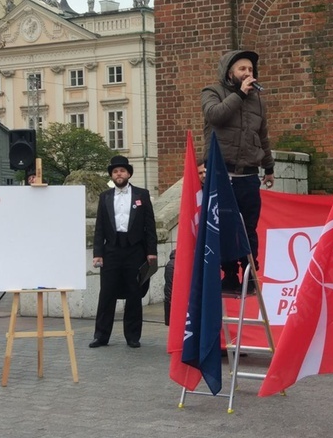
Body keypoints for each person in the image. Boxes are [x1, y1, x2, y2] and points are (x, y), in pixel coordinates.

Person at [202, 49, 274, 294]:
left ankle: (250, 273)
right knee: (224, 227)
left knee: (249, 228)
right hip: (222, 175)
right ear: (229, 72)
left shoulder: (258, 101)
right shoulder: (212, 92)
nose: (247, 73)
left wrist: (269, 167)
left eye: (250, 70)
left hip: (249, 175)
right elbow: (215, 116)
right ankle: (229, 274)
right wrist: (240, 95)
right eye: (242, 69)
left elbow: (262, 136)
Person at [90, 156, 157, 349]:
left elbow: (150, 225)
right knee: (107, 293)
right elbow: (99, 227)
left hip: (135, 250)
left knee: (134, 293)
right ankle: (101, 336)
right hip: (111, 250)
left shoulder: (141, 195)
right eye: (115, 171)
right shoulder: (105, 196)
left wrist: (151, 252)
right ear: (112, 175)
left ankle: (133, 336)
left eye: (122, 171)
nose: (119, 174)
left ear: (128, 173)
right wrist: (98, 253)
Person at [163, 160, 205, 326]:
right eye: (199, 173)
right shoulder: (191, 197)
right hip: (190, 250)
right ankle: (175, 324)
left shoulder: (217, 194)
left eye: (205, 172)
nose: (203, 176)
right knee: (172, 270)